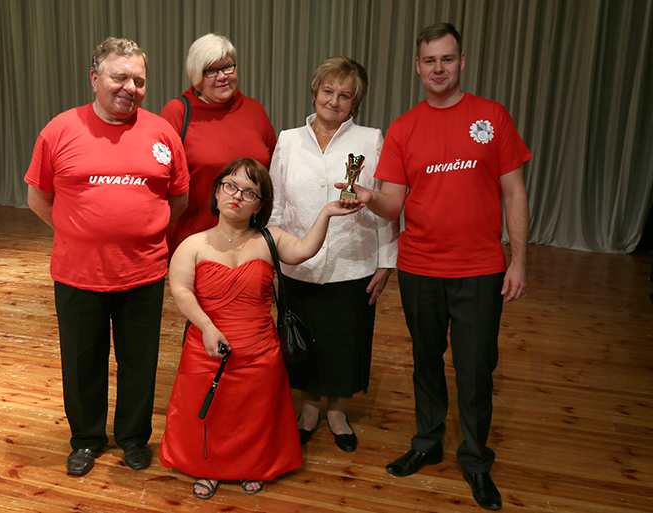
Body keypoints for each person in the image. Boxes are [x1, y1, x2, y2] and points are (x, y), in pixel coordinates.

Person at [338, 23, 531, 510]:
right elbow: (394, 205)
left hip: (480, 269)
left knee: (475, 368)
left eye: (447, 59)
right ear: (418, 67)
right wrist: (368, 196)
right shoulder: (404, 128)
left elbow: (514, 193)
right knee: (426, 361)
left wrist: (519, 260)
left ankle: (476, 461)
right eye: (430, 61)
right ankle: (427, 442)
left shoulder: (492, 117)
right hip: (420, 268)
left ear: (461, 62)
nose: (438, 68)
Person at [25, 37, 189, 477]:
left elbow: (179, 198)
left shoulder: (162, 132)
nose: (131, 88)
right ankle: (86, 439)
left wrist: (142, 231)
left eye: (139, 80)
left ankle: (134, 438)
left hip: (144, 273)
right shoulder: (59, 130)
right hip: (77, 274)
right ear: (95, 78)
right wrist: (80, 233)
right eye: (120, 77)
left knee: (139, 363)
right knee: (83, 364)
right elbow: (38, 198)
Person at [160, 158, 363, 499]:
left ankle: (251, 465)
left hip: (259, 349)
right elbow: (180, 290)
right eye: (230, 186)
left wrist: (327, 213)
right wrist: (207, 327)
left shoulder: (270, 239)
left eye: (249, 192)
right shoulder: (193, 244)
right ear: (217, 191)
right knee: (210, 411)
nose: (237, 196)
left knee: (253, 415)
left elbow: (303, 251)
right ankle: (209, 467)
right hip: (207, 344)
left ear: (260, 205)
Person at [268, 56, 399, 453]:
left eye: (345, 95)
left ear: (355, 102)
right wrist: (269, 256)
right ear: (315, 93)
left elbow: (385, 205)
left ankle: (338, 412)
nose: (334, 100)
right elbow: (276, 205)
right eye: (328, 91)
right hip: (297, 262)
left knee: (345, 341)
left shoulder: (371, 140)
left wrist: (386, 261)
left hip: (353, 262)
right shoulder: (289, 139)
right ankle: (309, 410)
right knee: (303, 340)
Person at [160, 33, 276, 256]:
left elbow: (273, 175)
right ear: (196, 76)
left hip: (250, 248)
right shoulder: (177, 112)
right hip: (195, 248)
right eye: (211, 71)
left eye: (227, 67)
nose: (222, 76)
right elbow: (158, 183)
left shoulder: (254, 110)